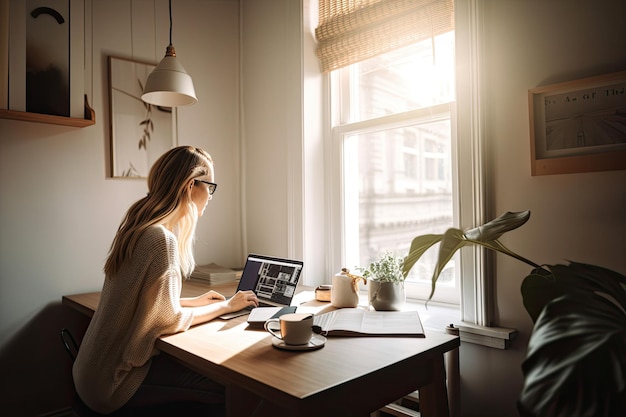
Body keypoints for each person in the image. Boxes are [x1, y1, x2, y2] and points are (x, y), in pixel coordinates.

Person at [72, 146, 258, 415]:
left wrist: (190, 302)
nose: (211, 196)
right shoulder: (161, 240)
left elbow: (139, 302)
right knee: (228, 388)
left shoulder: (137, 228)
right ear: (191, 185)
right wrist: (227, 306)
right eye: (211, 186)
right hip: (113, 384)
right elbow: (166, 321)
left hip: (89, 375)